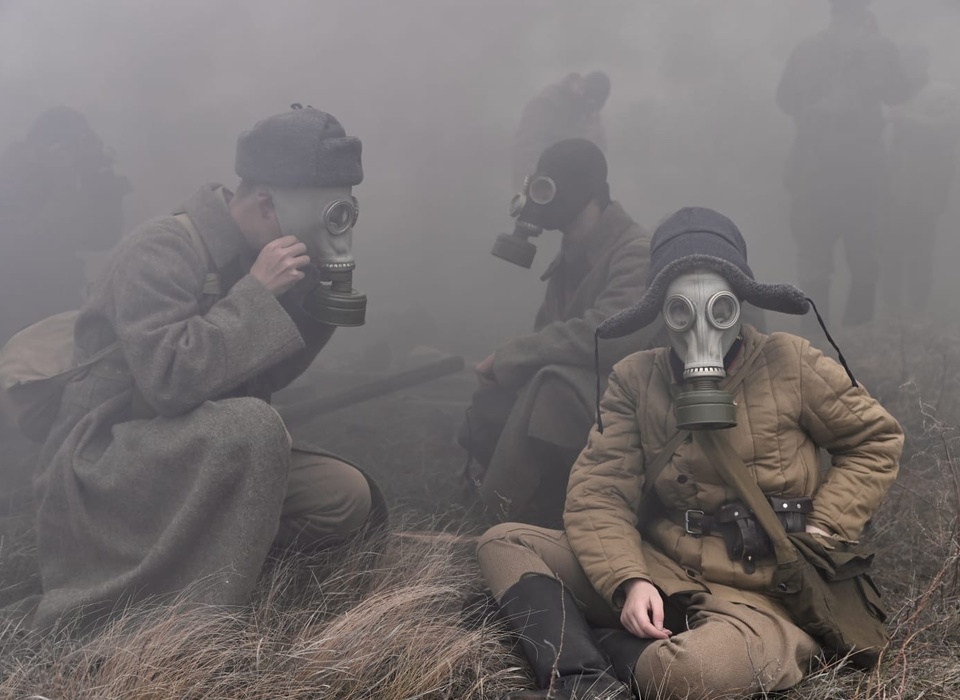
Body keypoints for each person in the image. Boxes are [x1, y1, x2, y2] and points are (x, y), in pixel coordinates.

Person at [478, 207, 903, 699]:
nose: (701, 328)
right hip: (662, 564)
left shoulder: (792, 363)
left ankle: (611, 647)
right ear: (662, 312)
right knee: (506, 543)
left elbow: (875, 440)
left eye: (718, 310)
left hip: (765, 590)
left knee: (686, 674)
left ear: (739, 304)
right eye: (682, 311)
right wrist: (628, 580)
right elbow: (600, 492)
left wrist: (824, 525)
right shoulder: (636, 378)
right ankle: (582, 682)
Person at [20, 105, 385, 632]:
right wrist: (256, 295)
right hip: (103, 455)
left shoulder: (253, 253)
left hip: (185, 446)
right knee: (255, 427)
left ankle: (210, 576)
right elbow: (168, 382)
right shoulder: (161, 249)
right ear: (266, 203)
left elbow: (254, 380)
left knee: (344, 496)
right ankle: (185, 622)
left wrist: (314, 304)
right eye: (325, 213)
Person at [461, 138, 658, 529]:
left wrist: (510, 356)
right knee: (493, 407)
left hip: (634, 401)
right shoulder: (573, 252)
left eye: (546, 190)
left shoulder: (635, 251)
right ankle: (539, 505)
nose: (540, 200)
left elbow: (611, 333)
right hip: (585, 394)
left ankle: (507, 512)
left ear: (581, 192)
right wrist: (509, 371)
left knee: (550, 389)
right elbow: (550, 336)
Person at [776, 0, 922, 328]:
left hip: (813, 169)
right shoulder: (880, 47)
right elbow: (900, 93)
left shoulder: (806, 48)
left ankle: (815, 343)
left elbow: (784, 99)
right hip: (864, 171)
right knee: (865, 254)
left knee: (813, 258)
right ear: (865, 10)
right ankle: (860, 349)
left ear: (833, 10)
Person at [0, 106, 130, 344]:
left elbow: (101, 236)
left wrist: (100, 174)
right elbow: (29, 242)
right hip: (14, 310)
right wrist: (62, 178)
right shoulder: (10, 179)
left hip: (57, 303)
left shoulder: (58, 177)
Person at [880, 45, 960, 315]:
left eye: (914, 61)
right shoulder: (891, 97)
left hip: (927, 185)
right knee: (891, 246)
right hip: (894, 183)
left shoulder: (941, 93)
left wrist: (906, 118)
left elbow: (945, 127)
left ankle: (917, 310)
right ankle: (891, 309)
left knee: (920, 246)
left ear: (924, 63)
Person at [512, 72, 611, 190]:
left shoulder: (589, 114)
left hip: (567, 186)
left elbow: (597, 153)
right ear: (581, 90)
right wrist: (531, 188)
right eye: (590, 104)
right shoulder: (547, 103)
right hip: (539, 183)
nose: (591, 111)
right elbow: (526, 149)